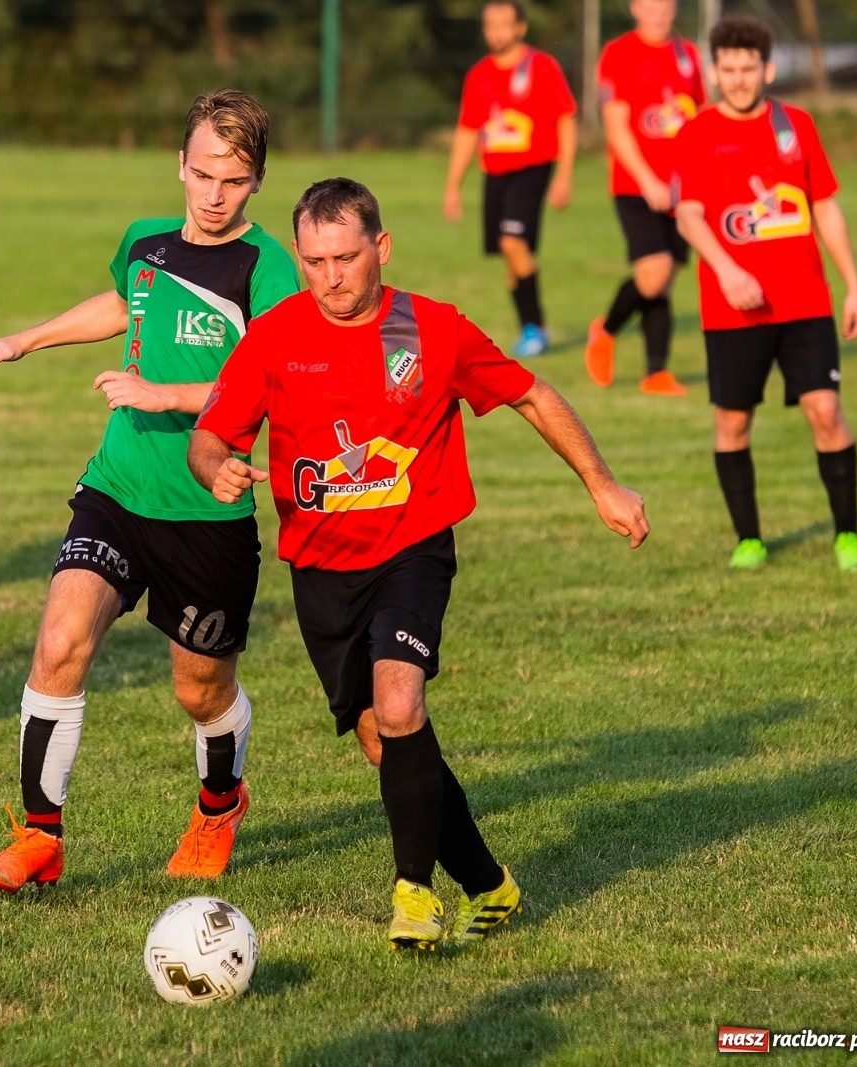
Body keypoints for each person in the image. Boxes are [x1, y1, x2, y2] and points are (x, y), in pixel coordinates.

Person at [189, 177, 649, 950]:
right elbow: (211, 433)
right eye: (313, 260)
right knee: (386, 741)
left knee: (400, 707)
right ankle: (490, 884)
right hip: (318, 570)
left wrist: (602, 483)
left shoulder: (431, 329)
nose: (330, 277)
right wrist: (216, 468)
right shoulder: (274, 335)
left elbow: (532, 394)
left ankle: (414, 895)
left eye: (346, 257)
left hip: (412, 551)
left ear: (381, 248)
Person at [0, 88, 298, 892]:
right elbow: (121, 304)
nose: (215, 194)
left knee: (199, 685)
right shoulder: (144, 242)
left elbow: (280, 379)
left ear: (256, 182)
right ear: (179, 165)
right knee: (58, 641)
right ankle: (41, 836)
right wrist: (25, 339)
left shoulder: (269, 267)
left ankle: (220, 803)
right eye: (204, 173)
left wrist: (169, 395)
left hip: (205, 507)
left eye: (235, 179)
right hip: (117, 487)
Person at [673, 15, 857, 571]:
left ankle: (848, 535)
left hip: (806, 302)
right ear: (715, 71)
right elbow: (688, 216)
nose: (737, 78)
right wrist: (728, 270)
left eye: (747, 68)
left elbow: (824, 206)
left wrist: (853, 284)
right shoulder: (698, 133)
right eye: (728, 68)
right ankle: (749, 538)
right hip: (731, 311)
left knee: (826, 410)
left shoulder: (798, 126)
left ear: (768, 68)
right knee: (733, 422)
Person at [443, 0, 577, 358]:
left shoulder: (542, 67)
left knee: (512, 242)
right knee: (510, 253)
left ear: (521, 28)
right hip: (495, 174)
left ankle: (536, 326)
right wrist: (453, 186)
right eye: (490, 25)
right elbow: (468, 131)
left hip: (533, 168)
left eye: (505, 24)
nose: (497, 32)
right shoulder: (479, 75)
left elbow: (566, 119)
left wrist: (565, 175)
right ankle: (529, 328)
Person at [584, 0, 704, 397]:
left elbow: (699, 118)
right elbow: (616, 128)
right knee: (655, 270)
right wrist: (649, 179)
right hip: (635, 184)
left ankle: (656, 373)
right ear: (635, 7)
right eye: (650, 3)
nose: (659, 11)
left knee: (665, 280)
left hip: (683, 187)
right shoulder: (619, 53)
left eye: (666, 3)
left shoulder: (688, 53)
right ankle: (606, 330)